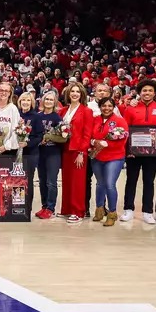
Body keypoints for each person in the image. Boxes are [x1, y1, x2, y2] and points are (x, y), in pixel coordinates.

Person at [121, 79, 156, 224]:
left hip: (153, 154)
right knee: (131, 180)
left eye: (150, 91)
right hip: (133, 153)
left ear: (155, 93)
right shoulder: (131, 108)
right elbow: (126, 130)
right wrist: (128, 150)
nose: (147, 93)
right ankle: (128, 209)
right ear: (139, 92)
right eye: (144, 90)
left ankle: (148, 211)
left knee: (149, 181)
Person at [88, 97, 129, 227]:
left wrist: (108, 144)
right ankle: (100, 209)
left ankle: (112, 213)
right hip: (97, 156)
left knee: (110, 184)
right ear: (100, 107)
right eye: (104, 106)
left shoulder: (119, 121)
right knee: (99, 184)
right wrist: (94, 142)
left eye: (109, 106)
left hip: (114, 157)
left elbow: (124, 138)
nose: (107, 108)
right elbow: (89, 135)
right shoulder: (95, 120)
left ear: (113, 107)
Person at [57, 82, 93, 223]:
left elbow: (87, 134)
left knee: (77, 182)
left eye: (78, 91)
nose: (75, 94)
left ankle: (77, 211)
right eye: (72, 91)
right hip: (65, 149)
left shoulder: (86, 111)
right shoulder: (63, 110)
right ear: (68, 93)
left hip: (78, 150)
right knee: (66, 180)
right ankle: (66, 209)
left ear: (82, 94)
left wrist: (81, 152)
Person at [31, 91, 63, 219]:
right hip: (40, 152)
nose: (48, 101)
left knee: (51, 181)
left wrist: (52, 138)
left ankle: (51, 207)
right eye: (47, 99)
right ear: (42, 101)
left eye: (51, 100)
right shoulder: (37, 116)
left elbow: (63, 136)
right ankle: (44, 206)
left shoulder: (57, 118)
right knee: (42, 181)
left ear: (54, 102)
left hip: (53, 152)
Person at [0, 82, 21, 155]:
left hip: (8, 150)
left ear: (10, 93)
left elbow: (16, 130)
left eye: (6, 91)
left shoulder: (13, 109)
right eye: (1, 90)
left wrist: (5, 146)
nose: (3, 93)